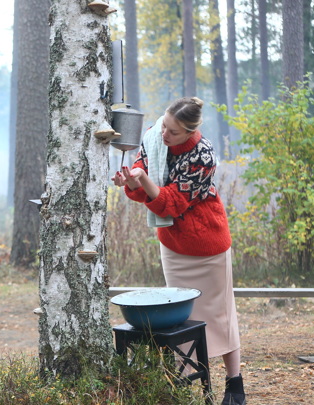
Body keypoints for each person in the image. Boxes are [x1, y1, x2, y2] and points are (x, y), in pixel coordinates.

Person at [111, 97, 246, 405]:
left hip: (206, 246)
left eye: (172, 132)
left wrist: (141, 180)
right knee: (181, 320)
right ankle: (182, 384)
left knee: (221, 315)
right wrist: (129, 181)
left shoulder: (203, 154)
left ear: (190, 132)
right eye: (164, 125)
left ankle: (234, 384)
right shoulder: (154, 133)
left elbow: (170, 203)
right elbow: (141, 169)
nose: (164, 135)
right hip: (173, 246)